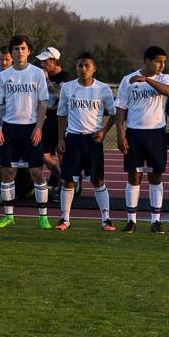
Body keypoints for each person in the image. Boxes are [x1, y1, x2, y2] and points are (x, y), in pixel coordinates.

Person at [0, 34, 51, 230]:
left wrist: (39, 127)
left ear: (29, 51)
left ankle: (43, 216)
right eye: (15, 49)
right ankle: (9, 215)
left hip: (31, 128)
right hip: (9, 128)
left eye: (22, 48)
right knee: (8, 172)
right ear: (12, 52)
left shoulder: (37, 73)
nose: (19, 52)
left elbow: (43, 103)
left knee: (36, 172)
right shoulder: (4, 75)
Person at [54, 52, 117, 231]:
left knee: (97, 180)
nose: (83, 69)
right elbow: (61, 114)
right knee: (68, 180)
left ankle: (106, 219)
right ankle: (64, 219)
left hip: (93, 141)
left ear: (94, 68)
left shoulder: (103, 89)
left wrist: (104, 132)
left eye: (87, 66)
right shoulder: (68, 87)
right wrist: (60, 138)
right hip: (73, 139)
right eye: (80, 65)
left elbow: (114, 114)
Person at [115, 46, 169, 233]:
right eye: (158, 61)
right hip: (134, 133)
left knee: (155, 176)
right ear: (146, 61)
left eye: (164, 62)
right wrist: (120, 133)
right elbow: (120, 109)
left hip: (156, 133)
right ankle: (131, 220)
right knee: (134, 176)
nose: (162, 65)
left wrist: (147, 80)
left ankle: (155, 221)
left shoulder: (163, 78)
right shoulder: (128, 80)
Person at [38, 46, 72, 195]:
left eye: (45, 62)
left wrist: (45, 79)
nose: (42, 65)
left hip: (62, 119)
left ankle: (65, 186)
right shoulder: (41, 76)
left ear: (54, 61)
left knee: (62, 153)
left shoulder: (66, 77)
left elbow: (59, 94)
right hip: (46, 118)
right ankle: (61, 178)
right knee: (44, 155)